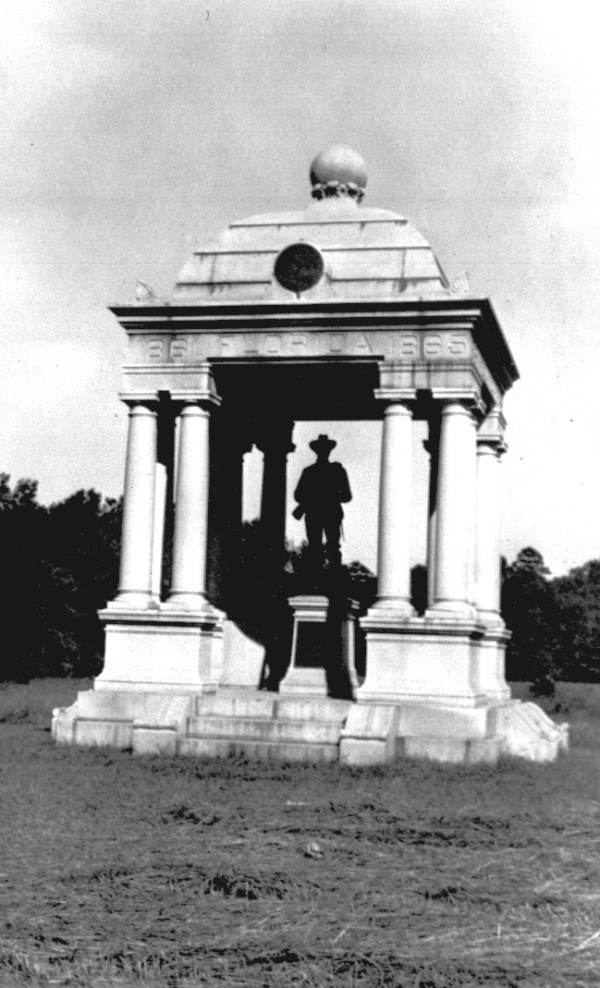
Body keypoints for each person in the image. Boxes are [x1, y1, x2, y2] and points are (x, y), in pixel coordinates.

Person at [293, 435, 352, 569]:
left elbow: (298, 495)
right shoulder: (337, 471)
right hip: (329, 513)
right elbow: (347, 496)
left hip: (317, 514)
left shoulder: (309, 472)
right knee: (330, 548)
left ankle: (318, 577)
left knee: (318, 548)